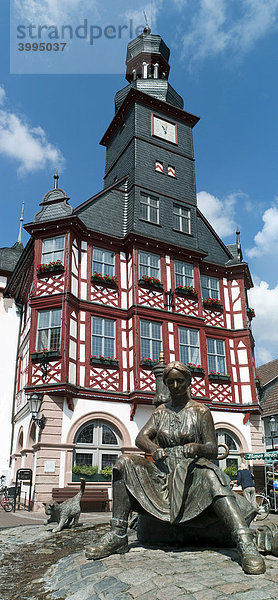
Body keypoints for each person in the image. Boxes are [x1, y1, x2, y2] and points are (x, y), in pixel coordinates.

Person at [86, 362, 265, 574]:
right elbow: (140, 437)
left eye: (180, 381)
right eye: (170, 382)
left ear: (188, 382)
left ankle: (244, 541)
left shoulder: (200, 411)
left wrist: (197, 447)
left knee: (210, 475)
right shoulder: (161, 412)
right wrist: (153, 448)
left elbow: (213, 448)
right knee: (123, 462)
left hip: (191, 471)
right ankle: (117, 535)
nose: (175, 385)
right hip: (162, 472)